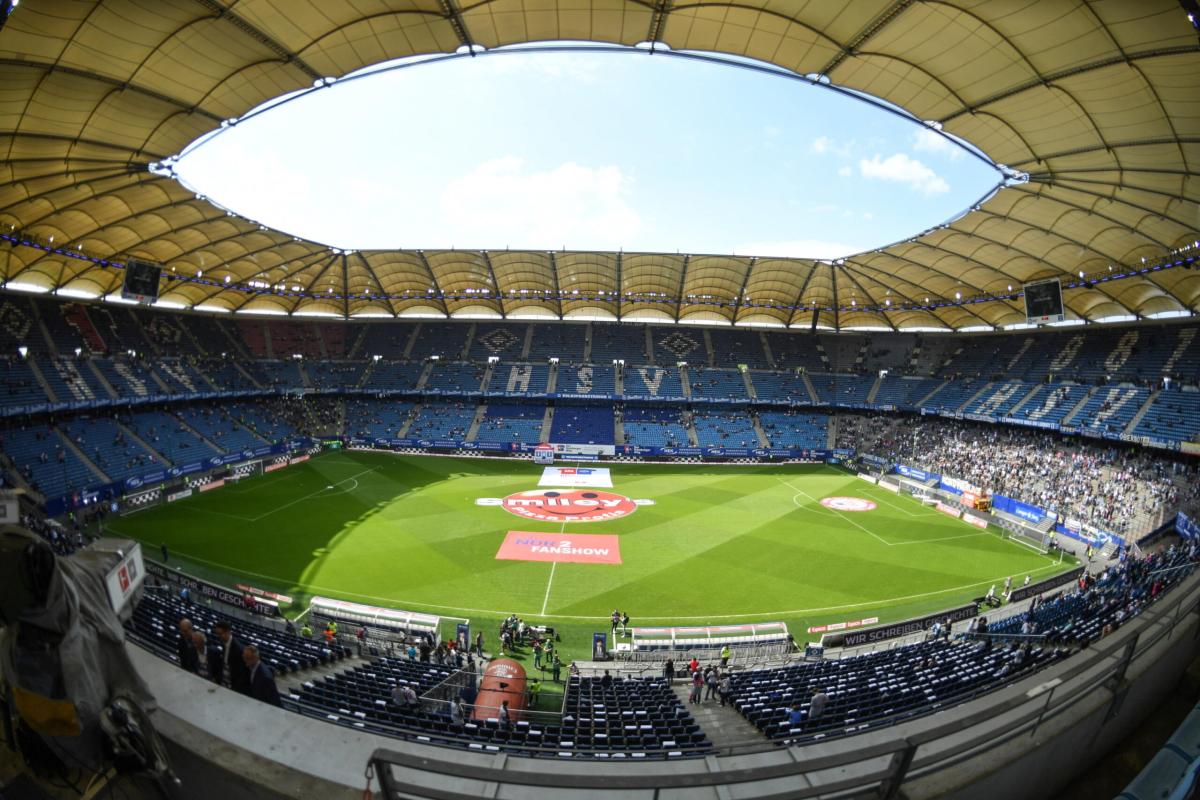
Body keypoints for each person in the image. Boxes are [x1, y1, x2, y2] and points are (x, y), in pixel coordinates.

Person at [213, 621, 250, 694]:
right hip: (224, 682)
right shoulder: (223, 643)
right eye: (217, 634)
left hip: (233, 687)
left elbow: (241, 674)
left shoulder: (239, 649)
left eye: (220, 634)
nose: (218, 636)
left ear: (228, 632)